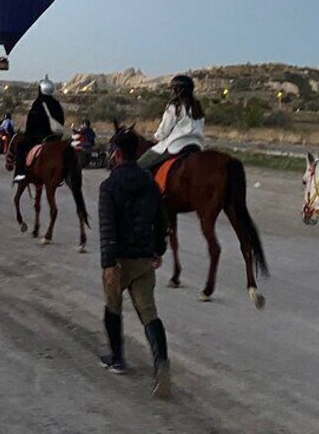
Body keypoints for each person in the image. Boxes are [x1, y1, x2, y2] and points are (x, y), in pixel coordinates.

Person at [99, 128, 171, 398]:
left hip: (118, 261)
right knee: (149, 313)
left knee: (113, 308)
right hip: (144, 259)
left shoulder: (109, 186)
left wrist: (108, 263)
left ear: (117, 154)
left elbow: (107, 227)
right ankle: (161, 364)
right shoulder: (150, 183)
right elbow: (162, 220)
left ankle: (117, 359)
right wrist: (159, 250)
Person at [138, 75, 205, 172]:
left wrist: (156, 137)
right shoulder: (197, 107)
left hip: (176, 145)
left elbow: (165, 129)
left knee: (138, 166)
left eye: (173, 89)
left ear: (178, 90)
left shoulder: (174, 106)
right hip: (197, 145)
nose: (172, 92)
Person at [13, 79, 65, 182]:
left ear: (41, 90)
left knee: (21, 147)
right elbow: (61, 120)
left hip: (38, 137)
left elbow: (31, 122)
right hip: (55, 137)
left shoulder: (37, 104)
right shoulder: (56, 104)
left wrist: (28, 133)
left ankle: (20, 173)